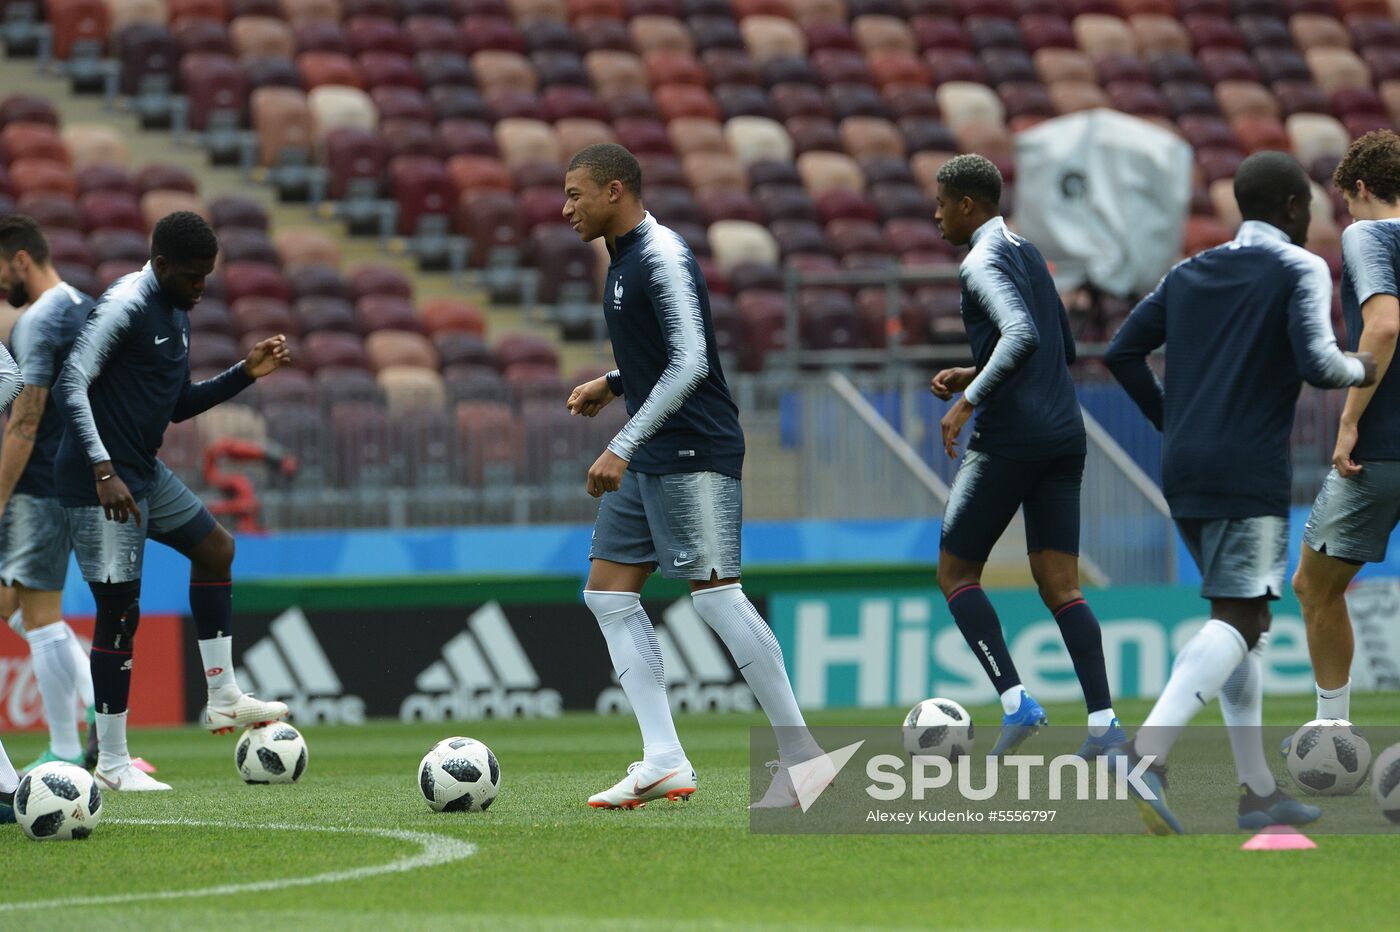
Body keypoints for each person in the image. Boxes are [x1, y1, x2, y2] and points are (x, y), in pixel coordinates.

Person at [1105, 151, 1376, 834]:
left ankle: (1256, 791)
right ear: (1290, 208)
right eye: (1309, 209)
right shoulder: (1299, 268)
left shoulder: (1188, 271)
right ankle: (1146, 754)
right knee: (1242, 618)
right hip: (1248, 467)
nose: (1313, 221)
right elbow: (1320, 364)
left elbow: (1120, 352)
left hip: (1186, 465)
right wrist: (1368, 364)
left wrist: (1172, 420)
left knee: (1245, 628)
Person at [562, 143, 824, 810]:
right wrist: (614, 381)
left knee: (716, 598)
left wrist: (620, 442)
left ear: (615, 191)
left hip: (694, 451)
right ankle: (664, 759)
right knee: (607, 596)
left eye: (577, 195)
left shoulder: (662, 256)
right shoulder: (622, 261)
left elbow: (691, 363)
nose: (567, 209)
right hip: (654, 449)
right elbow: (661, 358)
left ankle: (805, 758)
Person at [53, 211, 292, 792]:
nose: (201, 288)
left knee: (216, 549)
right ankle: (111, 764)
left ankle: (223, 697)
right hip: (97, 482)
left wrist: (244, 374)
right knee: (120, 612)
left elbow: (176, 404)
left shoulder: (176, 314)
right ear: (160, 265)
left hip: (143, 474)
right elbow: (69, 384)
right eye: (191, 277)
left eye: (207, 276)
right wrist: (103, 468)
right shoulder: (125, 305)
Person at [930, 154, 1123, 757]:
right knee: (1061, 585)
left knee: (956, 573)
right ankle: (1104, 727)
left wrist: (970, 397)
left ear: (968, 205)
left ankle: (1017, 703)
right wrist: (975, 365)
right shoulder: (1029, 251)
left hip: (1011, 436)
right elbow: (1059, 345)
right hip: (1066, 433)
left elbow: (1022, 336)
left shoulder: (979, 261)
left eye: (941, 203)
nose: (935, 216)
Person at [1291, 130, 1400, 730]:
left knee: (1314, 584)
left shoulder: (1370, 233)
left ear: (1360, 189)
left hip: (1383, 448)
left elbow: (1383, 326)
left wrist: (1349, 421)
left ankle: (1333, 732)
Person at [0, 215, 101, 772]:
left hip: (34, 488)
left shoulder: (36, 322)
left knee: (37, 618)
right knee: (19, 610)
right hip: (73, 481)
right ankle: (93, 722)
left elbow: (23, 423)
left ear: (20, 260)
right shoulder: (87, 310)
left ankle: (82, 737)